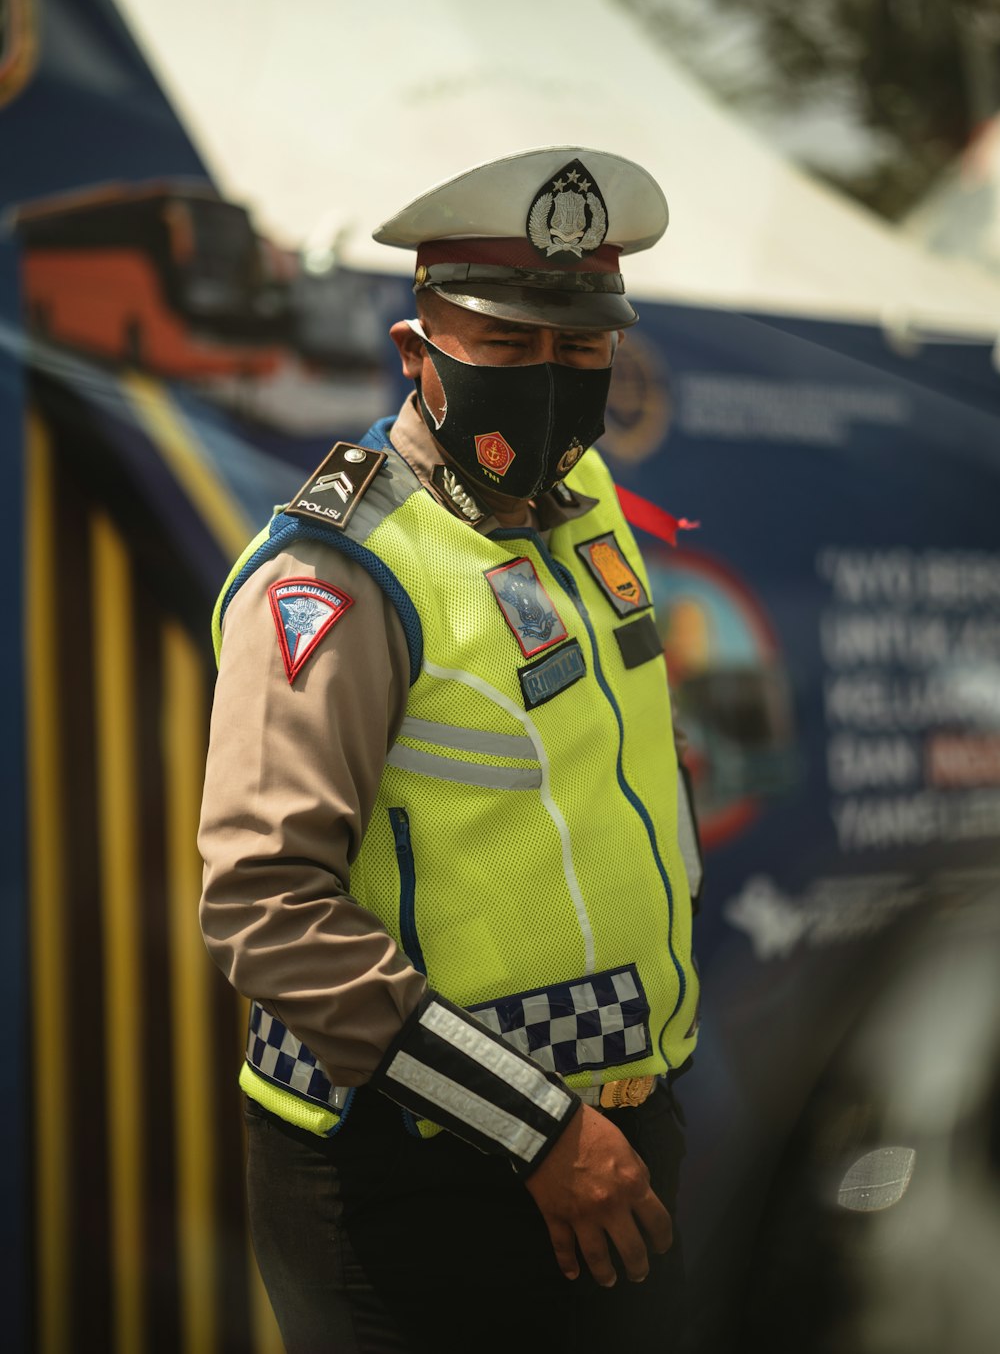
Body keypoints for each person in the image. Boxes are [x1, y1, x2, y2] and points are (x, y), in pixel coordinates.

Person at [198, 145, 700, 1353]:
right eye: (507, 344)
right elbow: (265, 905)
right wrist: (538, 1129)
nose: (549, 380)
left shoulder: (588, 522)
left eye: (580, 350)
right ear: (417, 349)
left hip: (614, 1141)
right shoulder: (337, 569)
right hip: (419, 1178)